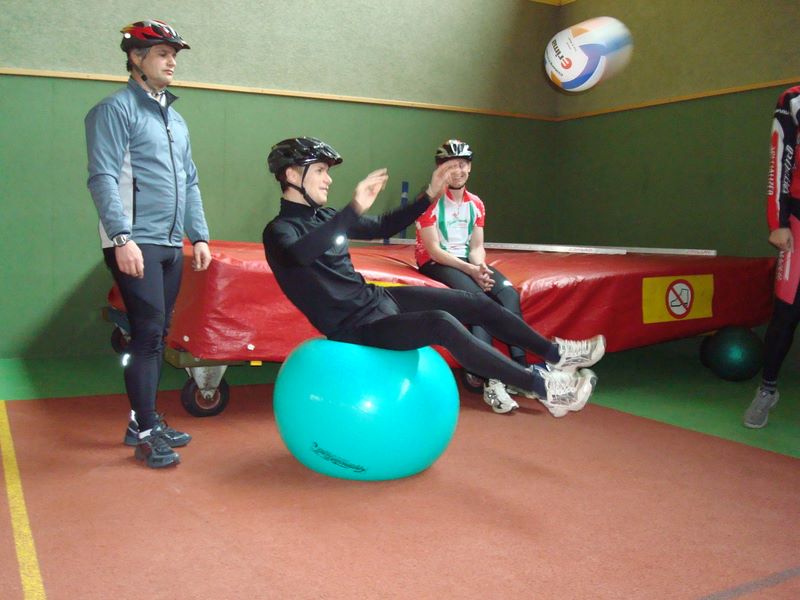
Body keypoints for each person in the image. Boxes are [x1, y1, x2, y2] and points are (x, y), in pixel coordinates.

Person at [262, 137, 606, 418]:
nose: (328, 179)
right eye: (320, 171)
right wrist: (352, 210)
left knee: (474, 301)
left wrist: (430, 194)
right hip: (353, 328)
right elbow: (300, 254)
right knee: (441, 323)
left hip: (375, 299)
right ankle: (544, 389)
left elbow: (384, 225)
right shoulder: (279, 232)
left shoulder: (325, 216)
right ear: (292, 175)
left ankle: (555, 354)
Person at [85, 19, 212, 468]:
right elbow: (102, 177)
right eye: (162, 53)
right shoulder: (113, 110)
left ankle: (145, 419)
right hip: (134, 241)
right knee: (146, 336)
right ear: (136, 58)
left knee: (157, 335)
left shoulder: (175, 119)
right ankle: (144, 432)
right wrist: (121, 238)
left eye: (174, 54)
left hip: (170, 242)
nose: (171, 61)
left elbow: (189, 182)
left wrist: (199, 234)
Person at [414, 140, 605, 414]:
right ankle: (492, 379)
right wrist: (471, 271)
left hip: (467, 261)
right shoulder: (430, 203)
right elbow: (434, 250)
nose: (458, 170)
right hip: (438, 262)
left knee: (507, 294)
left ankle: (521, 369)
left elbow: (476, 247)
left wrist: (481, 267)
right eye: (451, 165)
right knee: (478, 302)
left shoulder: (476, 204)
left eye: (463, 164)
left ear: (470, 167)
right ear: (440, 170)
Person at [743, 84, 800, 428]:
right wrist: (777, 222)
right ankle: (767, 388)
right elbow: (780, 158)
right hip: (798, 220)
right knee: (787, 311)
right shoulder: (793, 100)